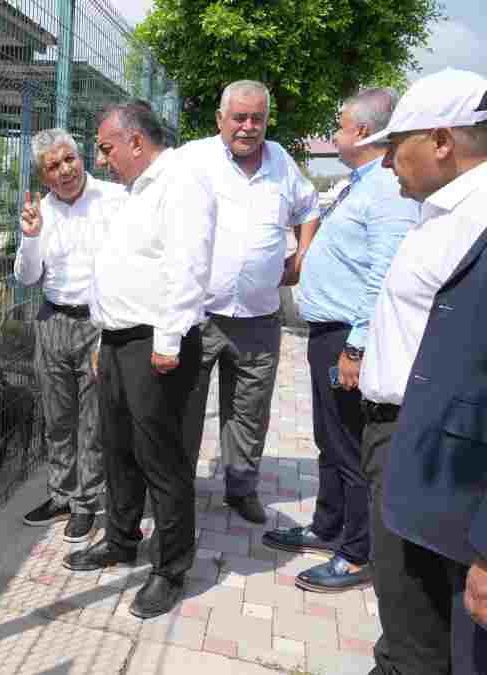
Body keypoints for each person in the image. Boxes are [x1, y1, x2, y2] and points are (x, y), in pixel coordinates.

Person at [354, 68, 487, 674]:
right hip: (404, 441)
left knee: (422, 636)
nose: (385, 164)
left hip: (436, 455)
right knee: (408, 615)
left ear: (440, 141)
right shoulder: (443, 212)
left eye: (393, 146)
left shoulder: (474, 223)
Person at [60, 101, 215, 619]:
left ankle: (170, 569)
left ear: (135, 141)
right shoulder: (138, 190)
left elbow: (188, 268)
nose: (102, 161)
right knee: (119, 448)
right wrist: (107, 339)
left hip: (157, 343)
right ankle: (120, 539)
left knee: (161, 459)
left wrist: (168, 342)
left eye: (105, 149)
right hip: (121, 341)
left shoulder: (180, 184)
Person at [261, 88, 416, 594]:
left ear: (364, 132)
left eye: (341, 125)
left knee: (350, 446)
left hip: (347, 340)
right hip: (328, 334)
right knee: (330, 438)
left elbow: (383, 274)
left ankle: (356, 553)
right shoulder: (361, 183)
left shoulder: (387, 191)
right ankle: (328, 527)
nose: (335, 133)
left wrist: (357, 347)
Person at [180, 80, 322, 525]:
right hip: (198, 315)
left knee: (250, 410)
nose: (248, 126)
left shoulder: (281, 161)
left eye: (256, 118)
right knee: (183, 406)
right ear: (220, 119)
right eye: (239, 117)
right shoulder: (192, 159)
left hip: (260, 317)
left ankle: (241, 489)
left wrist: (301, 256)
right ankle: (176, 488)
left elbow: (309, 207)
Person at [14, 128, 126, 543]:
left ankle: (86, 502)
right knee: (57, 419)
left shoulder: (116, 200)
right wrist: (29, 237)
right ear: (43, 177)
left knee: (93, 423)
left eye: (69, 160)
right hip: (53, 322)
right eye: (53, 166)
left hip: (99, 324)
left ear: (81, 157)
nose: (65, 171)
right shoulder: (38, 212)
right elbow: (28, 276)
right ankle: (61, 495)